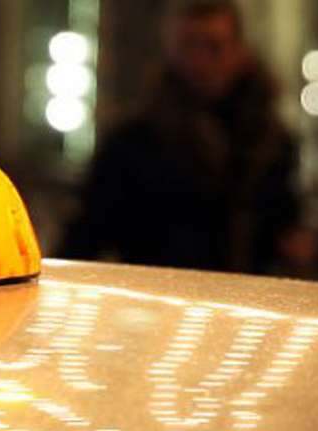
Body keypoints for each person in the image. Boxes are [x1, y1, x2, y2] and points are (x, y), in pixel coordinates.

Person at [61, 0, 304, 274]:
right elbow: (85, 235)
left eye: (213, 47)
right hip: (157, 295)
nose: (200, 62)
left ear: (238, 52)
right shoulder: (133, 144)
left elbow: (285, 227)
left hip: (246, 294)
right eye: (189, 46)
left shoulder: (270, 143)